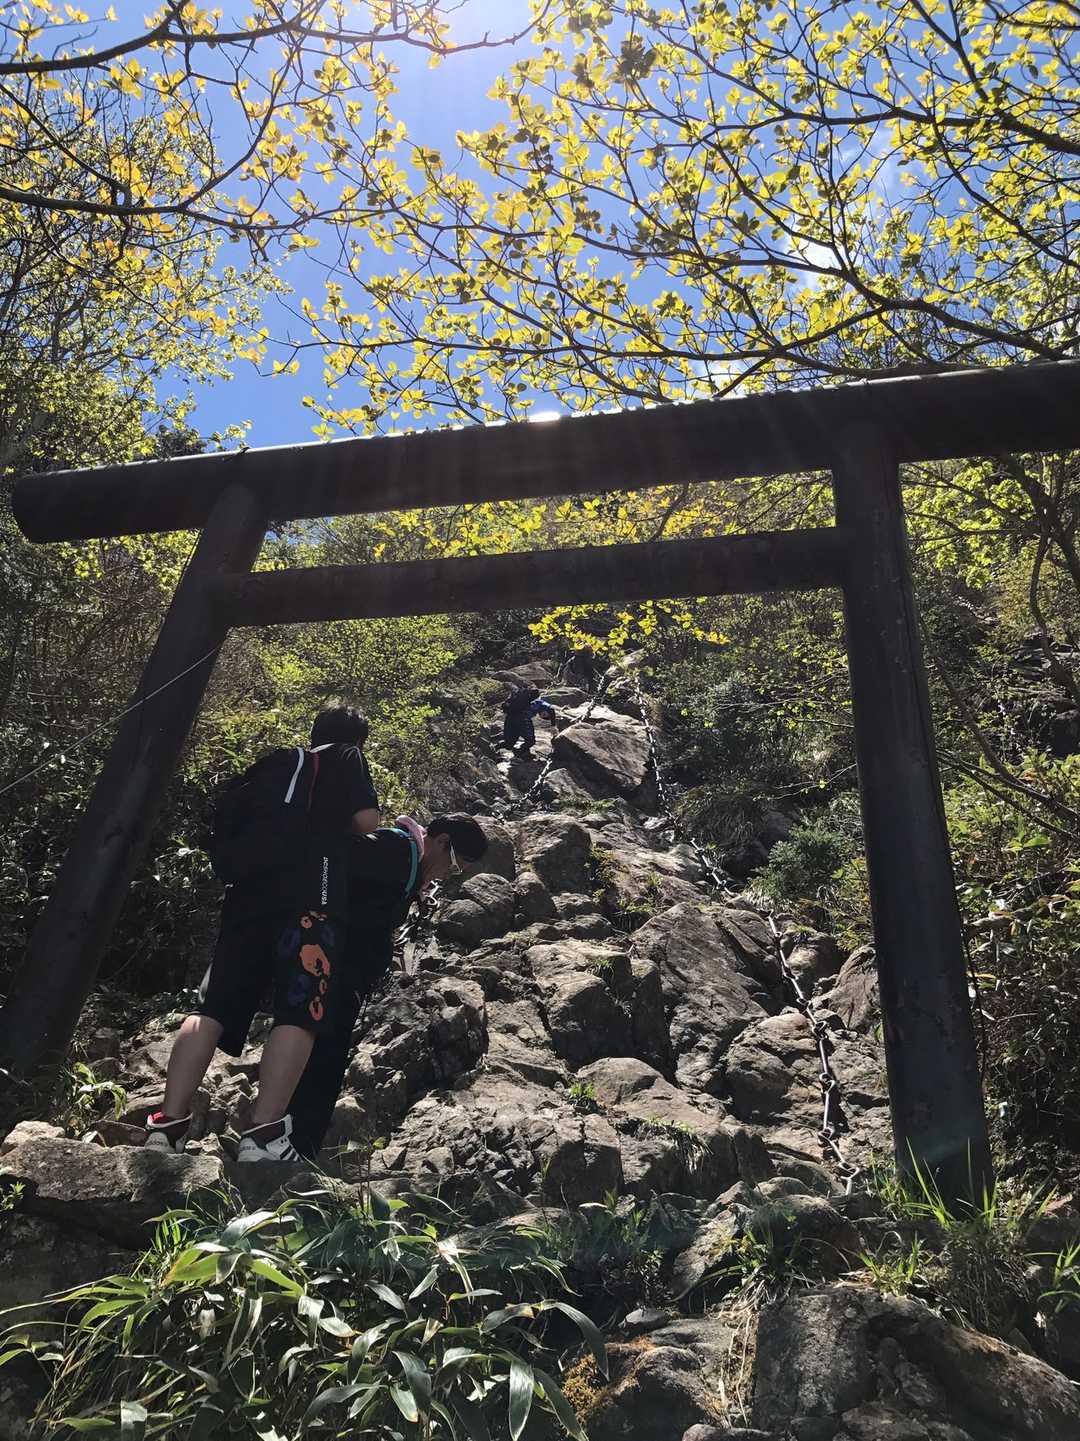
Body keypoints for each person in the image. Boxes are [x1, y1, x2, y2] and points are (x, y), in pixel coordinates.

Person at [143, 702, 380, 1161]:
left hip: (247, 898)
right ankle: (263, 1136)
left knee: (211, 1008)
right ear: (356, 739)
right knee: (299, 1011)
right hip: (310, 901)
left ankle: (167, 1126)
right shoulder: (346, 756)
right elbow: (366, 820)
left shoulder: (280, 766)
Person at [289, 812, 489, 1160]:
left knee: (326, 1055)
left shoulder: (408, 865)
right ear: (442, 842)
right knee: (322, 1056)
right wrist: (321, 932)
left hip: (341, 972)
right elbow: (329, 859)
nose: (450, 873)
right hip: (330, 969)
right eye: (455, 864)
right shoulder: (395, 850)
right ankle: (293, 1142)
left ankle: (298, 1142)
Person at [501, 685, 557, 758]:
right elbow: (552, 709)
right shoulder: (539, 703)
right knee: (530, 741)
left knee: (509, 743)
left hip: (510, 718)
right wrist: (553, 725)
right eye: (545, 715)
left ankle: (494, 749)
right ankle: (519, 755)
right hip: (522, 719)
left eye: (544, 717)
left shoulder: (527, 702)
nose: (543, 716)